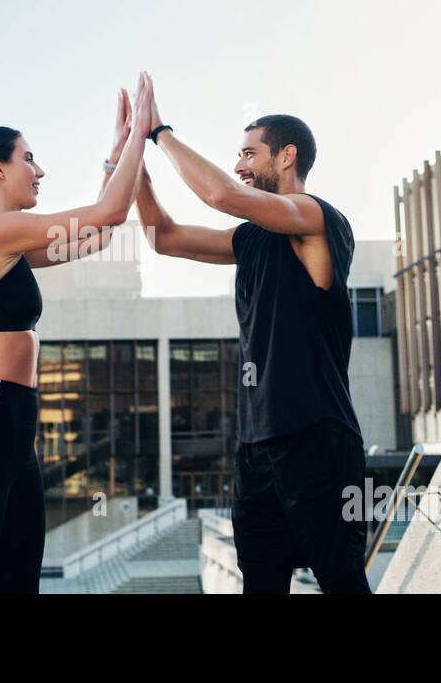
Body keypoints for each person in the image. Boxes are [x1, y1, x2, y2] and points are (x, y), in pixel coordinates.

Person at [134, 77, 372, 594]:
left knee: (341, 580)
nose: (239, 164)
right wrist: (130, 159)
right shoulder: (250, 238)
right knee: (260, 585)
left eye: (248, 153)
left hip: (318, 435)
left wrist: (160, 132)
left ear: (286, 157)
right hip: (256, 444)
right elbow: (162, 237)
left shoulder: (315, 217)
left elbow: (221, 194)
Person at [0, 73, 154, 593]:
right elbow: (111, 212)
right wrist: (142, 132)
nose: (39, 170)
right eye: (29, 158)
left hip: (13, 424)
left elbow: (98, 235)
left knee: (17, 580)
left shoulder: (11, 245)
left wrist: (116, 156)